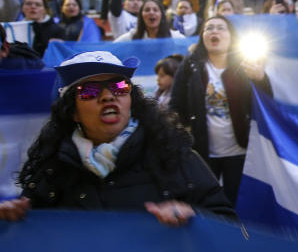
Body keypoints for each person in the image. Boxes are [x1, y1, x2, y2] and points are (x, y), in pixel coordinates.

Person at [0, 51, 235, 224]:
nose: (107, 97)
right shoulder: (50, 168)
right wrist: (12, 220)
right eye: (89, 91)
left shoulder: (171, 153)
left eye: (120, 87)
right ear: (71, 112)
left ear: (131, 99)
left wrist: (194, 216)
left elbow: (229, 222)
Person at [168, 15, 273, 205]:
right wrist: (183, 133)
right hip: (201, 152)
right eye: (209, 28)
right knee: (207, 204)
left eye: (220, 28)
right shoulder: (190, 65)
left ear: (231, 36)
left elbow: (267, 104)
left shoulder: (246, 65)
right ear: (202, 36)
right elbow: (175, 105)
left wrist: (260, 78)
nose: (214, 31)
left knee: (237, 205)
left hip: (239, 152)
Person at [114, 0, 185, 42]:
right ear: (141, 16)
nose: (151, 12)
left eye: (155, 10)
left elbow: (191, 49)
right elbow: (112, 48)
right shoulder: (132, 37)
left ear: (162, 15)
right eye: (147, 10)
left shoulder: (174, 37)